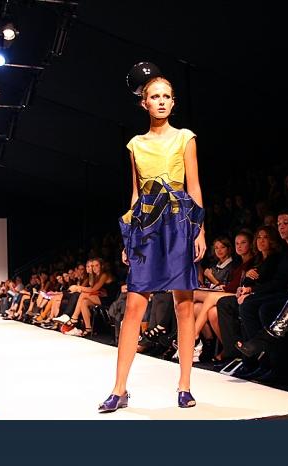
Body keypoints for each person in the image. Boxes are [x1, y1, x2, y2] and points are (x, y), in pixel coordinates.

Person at [99, 75, 206, 413]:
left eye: (166, 96)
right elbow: (136, 193)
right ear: (144, 103)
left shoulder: (185, 138)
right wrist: (129, 237)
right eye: (155, 96)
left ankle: (185, 386)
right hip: (146, 226)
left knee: (183, 304)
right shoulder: (135, 145)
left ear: (173, 102)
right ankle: (119, 389)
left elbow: (193, 185)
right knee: (134, 305)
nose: (161, 101)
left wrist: (200, 230)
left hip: (179, 222)